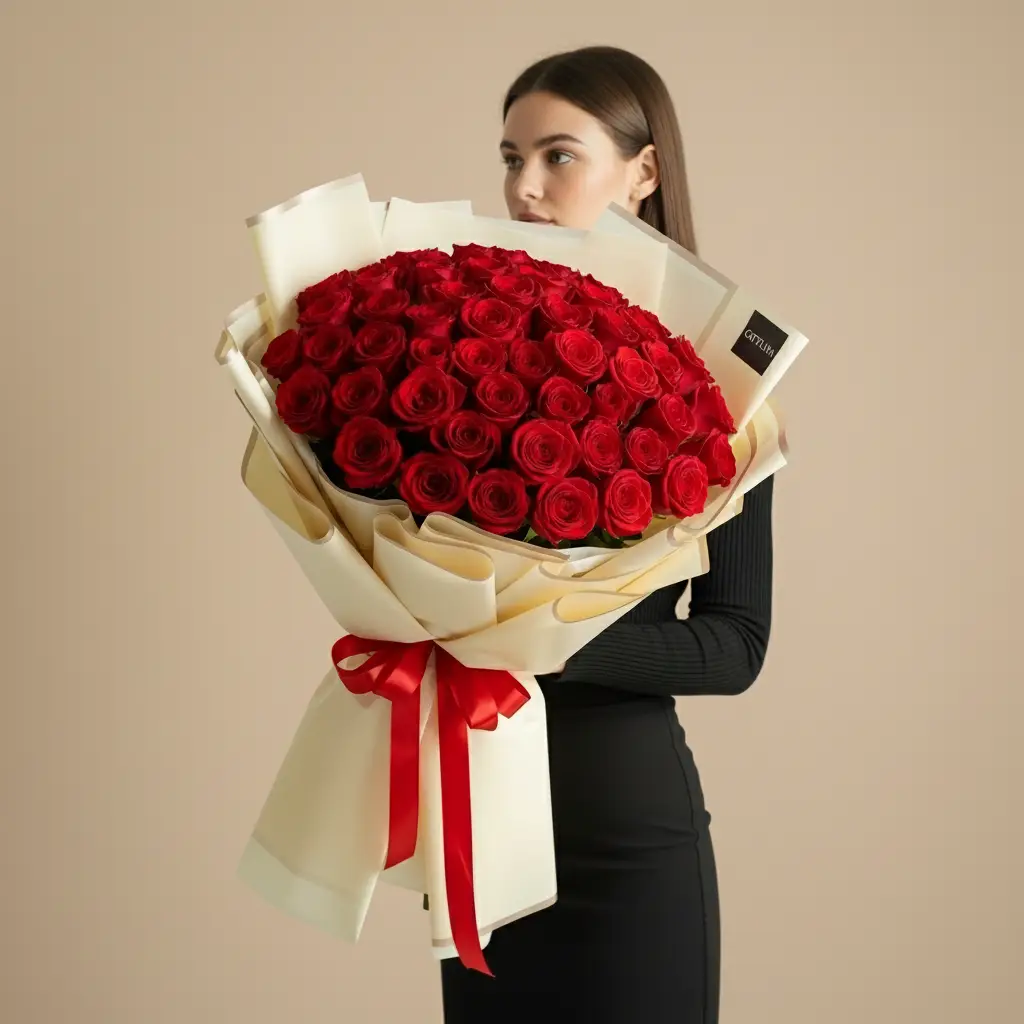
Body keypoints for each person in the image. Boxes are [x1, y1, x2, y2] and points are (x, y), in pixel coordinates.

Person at [438, 46, 775, 1023]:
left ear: (643, 172)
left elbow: (735, 642)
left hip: (626, 835)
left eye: (556, 157)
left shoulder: (727, 378)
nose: (524, 188)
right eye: (510, 159)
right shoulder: (460, 360)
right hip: (484, 834)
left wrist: (535, 640)